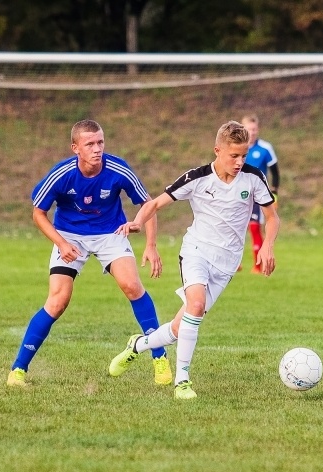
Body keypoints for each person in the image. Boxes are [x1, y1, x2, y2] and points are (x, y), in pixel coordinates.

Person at [108, 120, 279, 400]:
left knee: (179, 327)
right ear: (217, 150)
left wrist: (267, 246)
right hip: (196, 251)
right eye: (233, 155)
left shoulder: (253, 177)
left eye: (243, 155)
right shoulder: (197, 178)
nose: (239, 162)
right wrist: (138, 223)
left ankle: (138, 345)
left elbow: (272, 217)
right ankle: (182, 382)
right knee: (196, 306)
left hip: (226, 264)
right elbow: (154, 203)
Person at [7, 119, 168, 387]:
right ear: (75, 148)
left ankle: (159, 358)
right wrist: (60, 243)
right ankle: (18, 370)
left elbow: (148, 204)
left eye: (100, 142)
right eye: (90, 144)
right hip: (69, 235)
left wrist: (151, 245)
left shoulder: (118, 169)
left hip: (110, 233)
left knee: (131, 285)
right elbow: (38, 213)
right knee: (58, 300)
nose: (97, 149)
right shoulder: (62, 174)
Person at [241, 114, 280, 274]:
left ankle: (258, 265)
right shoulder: (237, 148)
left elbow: (275, 172)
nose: (253, 132)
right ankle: (233, 263)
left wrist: (275, 193)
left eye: (255, 129)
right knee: (233, 228)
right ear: (243, 129)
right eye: (250, 129)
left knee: (255, 228)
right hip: (238, 194)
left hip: (258, 195)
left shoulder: (265, 148)